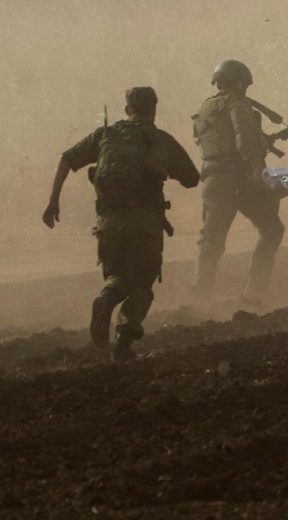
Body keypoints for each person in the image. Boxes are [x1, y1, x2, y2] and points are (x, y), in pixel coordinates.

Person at [42, 86, 200, 362]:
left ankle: (105, 301)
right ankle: (124, 344)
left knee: (115, 277)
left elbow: (66, 158)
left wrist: (53, 200)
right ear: (153, 109)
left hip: (108, 222)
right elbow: (191, 178)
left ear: (127, 110)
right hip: (145, 224)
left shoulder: (105, 135)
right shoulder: (160, 139)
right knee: (141, 286)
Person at [190, 59, 288, 301]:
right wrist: (257, 168)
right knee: (272, 229)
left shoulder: (205, 108)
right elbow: (243, 137)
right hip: (241, 179)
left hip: (213, 179)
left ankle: (200, 295)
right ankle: (255, 290)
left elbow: (202, 140)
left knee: (211, 238)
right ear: (239, 82)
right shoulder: (238, 103)